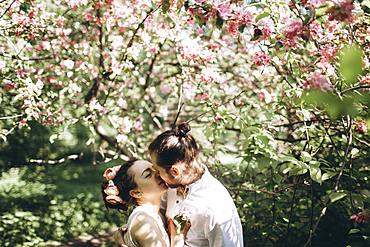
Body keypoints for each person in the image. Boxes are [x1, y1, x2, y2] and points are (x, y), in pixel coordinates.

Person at [115, 122, 244, 247]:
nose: (158, 175)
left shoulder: (216, 208)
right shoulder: (169, 187)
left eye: (158, 171)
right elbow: (149, 214)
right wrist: (127, 234)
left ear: (174, 171)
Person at [101, 159, 190, 247]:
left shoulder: (156, 214)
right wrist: (178, 239)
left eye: (154, 168)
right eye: (148, 175)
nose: (158, 173)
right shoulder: (144, 222)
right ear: (136, 193)